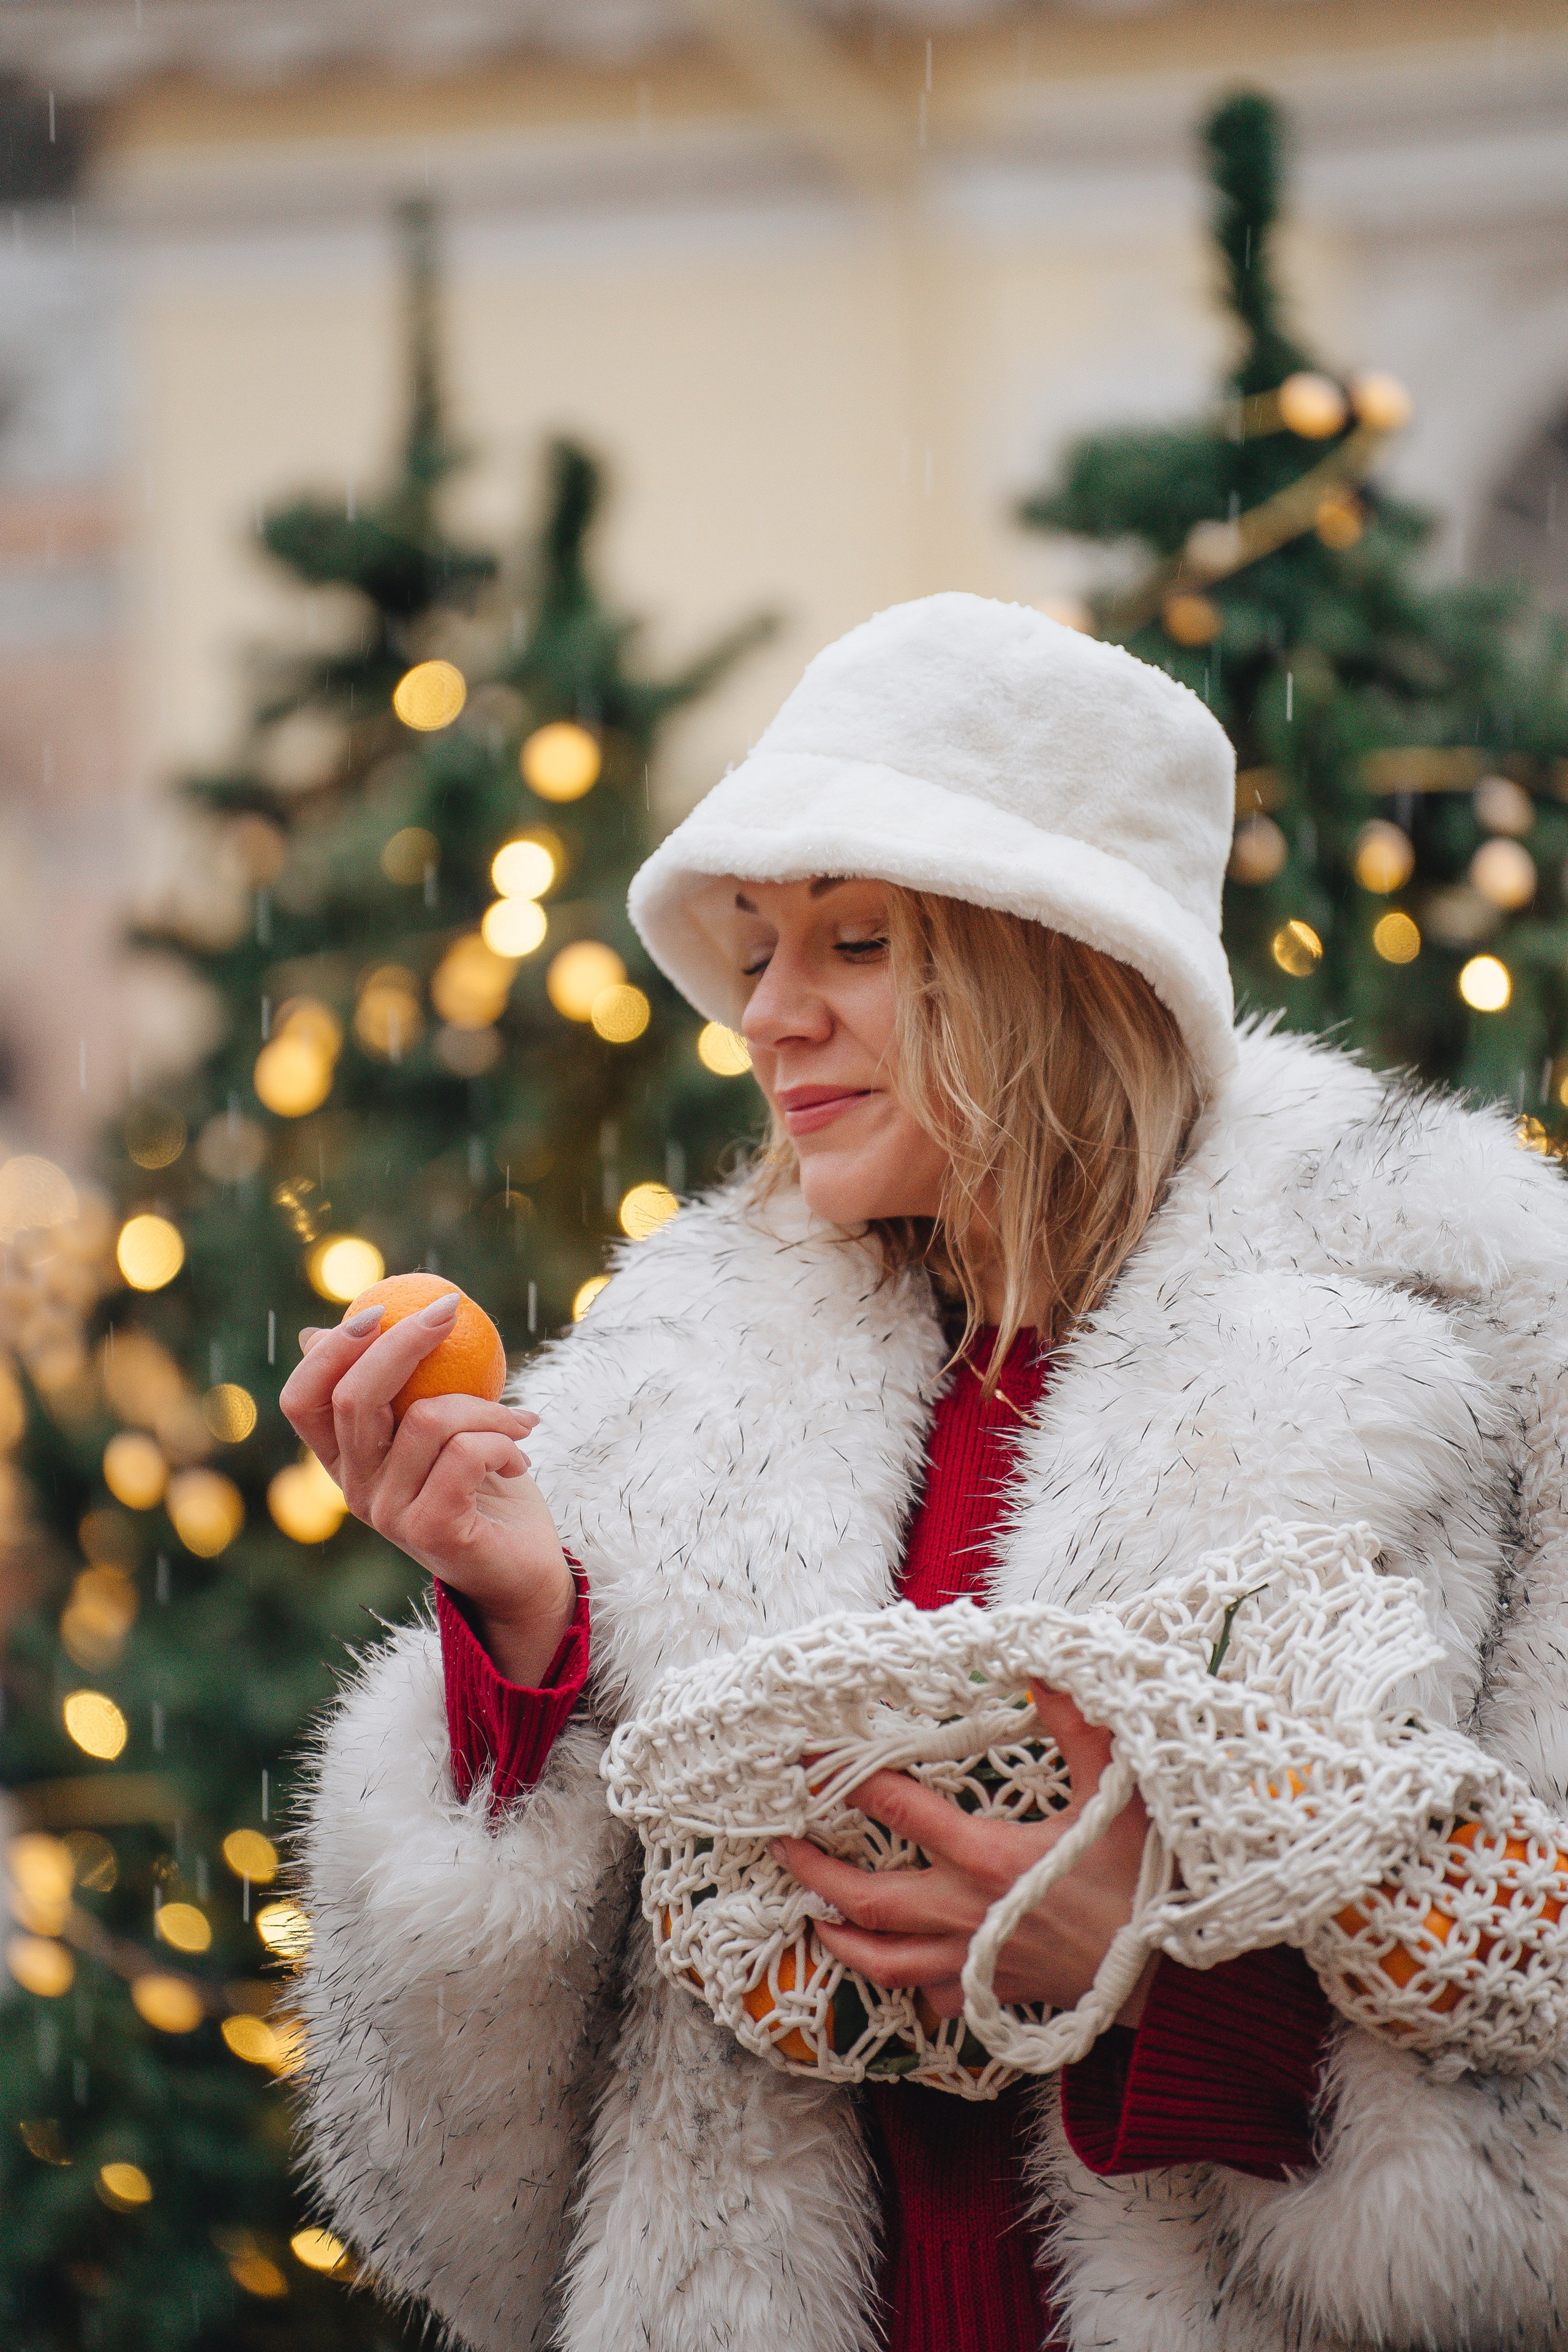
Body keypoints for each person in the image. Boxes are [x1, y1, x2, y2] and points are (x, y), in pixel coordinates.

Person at [287, 594, 1568, 2352]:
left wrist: (1164, 1986)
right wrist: (522, 1634)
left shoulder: (1474, 1340)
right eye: (756, 951)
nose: (770, 1016)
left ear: (1057, 955)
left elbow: (1532, 2089)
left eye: (858, 944)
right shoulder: (667, 1393)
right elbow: (472, 2200)